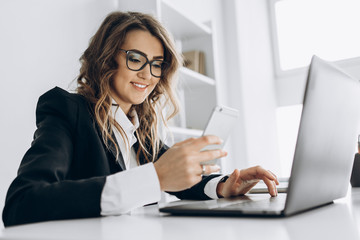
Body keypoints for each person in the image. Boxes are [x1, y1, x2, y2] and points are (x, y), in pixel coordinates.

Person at [2, 11, 279, 227]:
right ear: (107, 58)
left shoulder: (140, 128)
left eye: (156, 64)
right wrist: (155, 178)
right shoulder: (68, 111)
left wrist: (224, 185)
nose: (147, 74)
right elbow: (22, 203)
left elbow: (181, 179)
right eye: (136, 59)